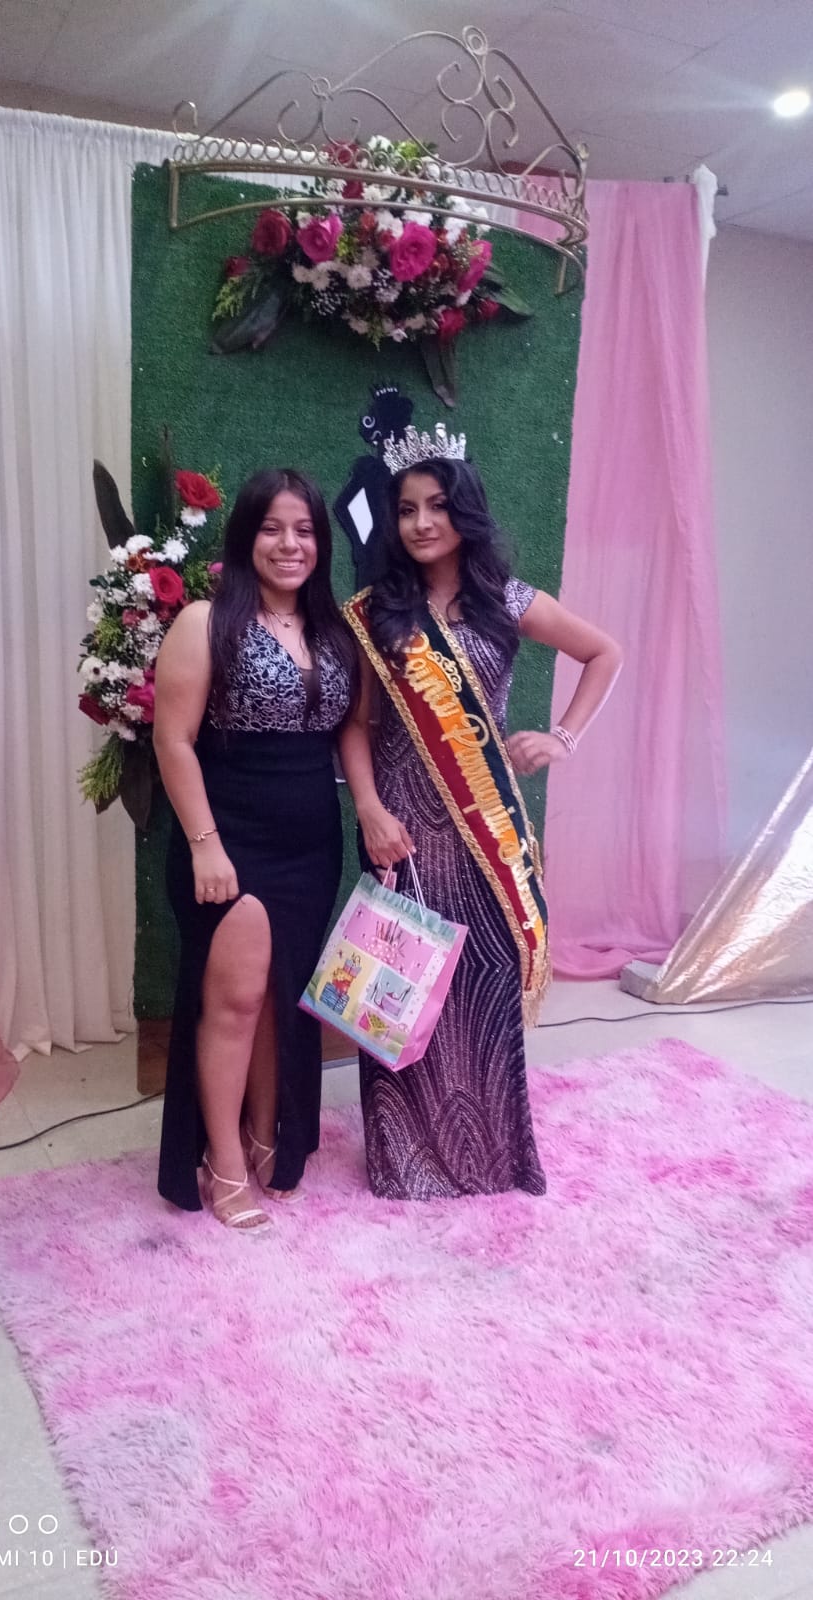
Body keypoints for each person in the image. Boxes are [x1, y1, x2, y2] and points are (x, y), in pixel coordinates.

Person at [339, 424, 623, 1201]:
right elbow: (356, 725)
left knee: (485, 986)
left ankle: (491, 1156)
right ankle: (403, 1157)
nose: (421, 523)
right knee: (399, 988)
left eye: (436, 505)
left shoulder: (508, 600)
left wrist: (561, 736)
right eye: (406, 509)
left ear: (464, 510)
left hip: (484, 833)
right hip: (401, 830)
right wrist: (367, 808)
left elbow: (603, 652)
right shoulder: (375, 613)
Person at [153, 468, 356, 1232]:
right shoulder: (206, 621)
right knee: (235, 1001)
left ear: (320, 543)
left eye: (303, 530)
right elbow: (173, 741)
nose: (288, 544)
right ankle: (223, 1159)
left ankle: (267, 1132)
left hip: (311, 843)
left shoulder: (334, 631)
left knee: (280, 997)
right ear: (246, 537)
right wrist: (205, 847)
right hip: (228, 836)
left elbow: (352, 733)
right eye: (272, 528)